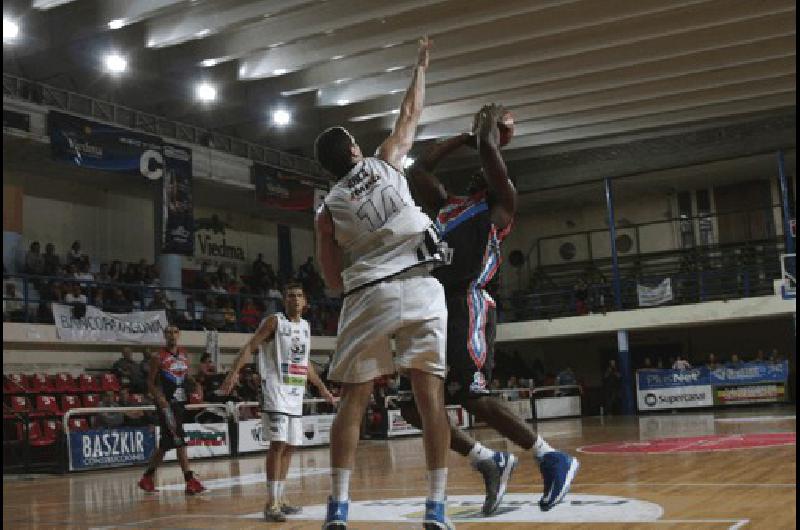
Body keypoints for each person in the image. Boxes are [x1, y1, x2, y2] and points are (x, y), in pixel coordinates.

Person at [404, 103, 578, 515]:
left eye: (494, 165)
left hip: (468, 300)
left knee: (471, 393)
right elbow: (420, 168)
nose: (488, 167)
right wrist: (464, 137)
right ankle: (488, 459)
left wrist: (487, 128)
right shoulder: (447, 204)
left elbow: (487, 146)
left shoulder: (501, 205)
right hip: (432, 305)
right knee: (414, 407)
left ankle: (549, 456)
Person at [313, 36, 454, 530]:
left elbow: (331, 279)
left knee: (354, 398)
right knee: (429, 397)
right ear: (353, 148)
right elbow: (411, 112)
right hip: (420, 284)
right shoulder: (386, 159)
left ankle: (339, 509)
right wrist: (421, 63)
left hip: (369, 293)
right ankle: (435, 508)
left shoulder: (326, 208)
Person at [220, 282, 336, 522]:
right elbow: (251, 345)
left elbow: (305, 364)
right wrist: (234, 371)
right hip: (274, 389)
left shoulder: (305, 326)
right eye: (290, 295)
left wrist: (322, 388)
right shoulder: (274, 321)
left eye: (299, 296)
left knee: (291, 446)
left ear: (305, 302)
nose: (295, 299)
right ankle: (271, 503)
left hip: (295, 392)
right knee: (278, 444)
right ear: (284, 300)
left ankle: (280, 498)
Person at [137, 325, 205, 495]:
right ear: (164, 335)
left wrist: (195, 384)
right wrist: (159, 398)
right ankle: (190, 480)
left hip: (180, 403)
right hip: (167, 405)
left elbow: (184, 375)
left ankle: (147, 478)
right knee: (180, 439)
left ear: (179, 334)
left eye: (175, 332)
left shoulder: (184, 354)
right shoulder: (158, 357)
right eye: (168, 332)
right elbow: (150, 382)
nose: (172, 335)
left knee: (166, 444)